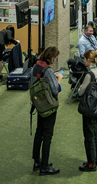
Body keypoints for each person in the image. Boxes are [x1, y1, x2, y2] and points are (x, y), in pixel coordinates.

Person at [31, 47, 62, 176]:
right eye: (55, 57)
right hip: (49, 106)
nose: (55, 59)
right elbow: (56, 89)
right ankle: (45, 166)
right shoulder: (48, 70)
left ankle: (37, 161)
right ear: (51, 57)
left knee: (39, 132)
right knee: (48, 135)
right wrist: (59, 79)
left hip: (39, 104)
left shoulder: (36, 66)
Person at [78, 50, 97, 172]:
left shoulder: (89, 75)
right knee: (94, 132)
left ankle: (90, 163)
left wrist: (79, 89)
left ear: (88, 60)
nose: (83, 61)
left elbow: (81, 91)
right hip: (95, 107)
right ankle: (96, 158)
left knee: (88, 135)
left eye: (84, 59)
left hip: (88, 107)